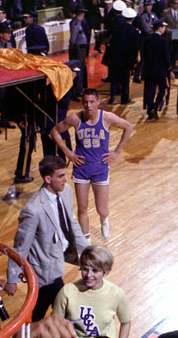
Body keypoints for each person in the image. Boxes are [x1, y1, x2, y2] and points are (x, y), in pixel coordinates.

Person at [4, 155, 90, 321]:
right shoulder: (33, 210)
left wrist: (88, 251)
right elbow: (21, 246)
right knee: (64, 307)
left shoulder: (66, 191)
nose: (65, 180)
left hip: (59, 254)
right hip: (45, 267)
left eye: (65, 175)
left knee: (42, 306)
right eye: (61, 176)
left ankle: (31, 331)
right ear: (48, 179)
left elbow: (71, 224)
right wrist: (12, 278)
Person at [49, 88, 134, 240]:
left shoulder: (107, 117)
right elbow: (54, 131)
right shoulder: (75, 118)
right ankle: (86, 242)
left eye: (92, 102)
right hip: (81, 168)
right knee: (82, 208)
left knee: (102, 209)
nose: (88, 105)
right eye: (85, 102)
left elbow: (128, 127)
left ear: (98, 102)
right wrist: (68, 153)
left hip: (100, 168)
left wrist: (117, 152)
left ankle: (104, 219)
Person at [53, 245, 132, 338]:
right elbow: (54, 323)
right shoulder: (67, 291)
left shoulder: (116, 294)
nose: (89, 275)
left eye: (95, 270)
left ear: (106, 272)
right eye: (85, 269)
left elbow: (126, 322)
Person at [106, 7, 139, 106]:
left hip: (115, 57)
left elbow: (112, 42)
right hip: (127, 60)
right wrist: (134, 60)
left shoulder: (117, 28)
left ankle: (112, 97)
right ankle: (124, 99)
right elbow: (135, 47)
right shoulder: (134, 31)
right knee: (125, 80)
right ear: (133, 19)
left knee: (114, 78)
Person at [142, 18, 173, 120]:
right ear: (159, 28)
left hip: (149, 70)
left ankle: (150, 109)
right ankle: (155, 108)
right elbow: (166, 57)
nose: (164, 29)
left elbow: (144, 55)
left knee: (150, 91)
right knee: (163, 90)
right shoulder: (163, 41)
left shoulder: (147, 39)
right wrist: (170, 70)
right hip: (161, 71)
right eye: (163, 27)